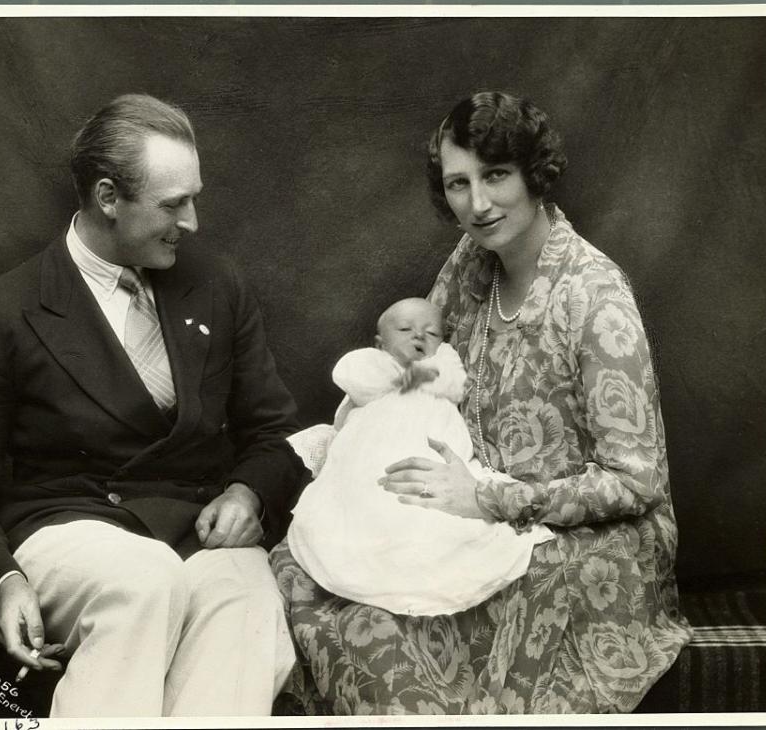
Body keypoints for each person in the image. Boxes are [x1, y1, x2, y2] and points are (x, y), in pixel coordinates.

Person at [271, 91, 691, 714]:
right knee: (331, 569)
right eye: (459, 183)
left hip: (592, 539)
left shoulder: (595, 297)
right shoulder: (471, 265)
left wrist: (489, 499)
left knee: (408, 625)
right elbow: (422, 370)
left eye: (496, 175)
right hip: (470, 499)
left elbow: (637, 482)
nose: (479, 204)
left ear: (534, 174)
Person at [0, 93, 308, 717]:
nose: (194, 221)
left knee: (245, 597)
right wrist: (3, 581)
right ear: (107, 199)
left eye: (194, 197)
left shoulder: (216, 285)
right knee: (143, 580)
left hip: (193, 532)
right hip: (67, 532)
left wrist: (247, 494)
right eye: (174, 204)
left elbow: (275, 433)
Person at [287, 298, 553, 617]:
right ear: (380, 342)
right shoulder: (375, 366)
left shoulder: (441, 371)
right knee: (365, 501)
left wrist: (433, 370)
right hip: (376, 449)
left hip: (429, 447)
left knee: (439, 517)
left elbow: (455, 381)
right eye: (405, 329)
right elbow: (350, 374)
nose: (419, 337)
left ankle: (419, 552)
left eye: (432, 334)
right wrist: (412, 376)